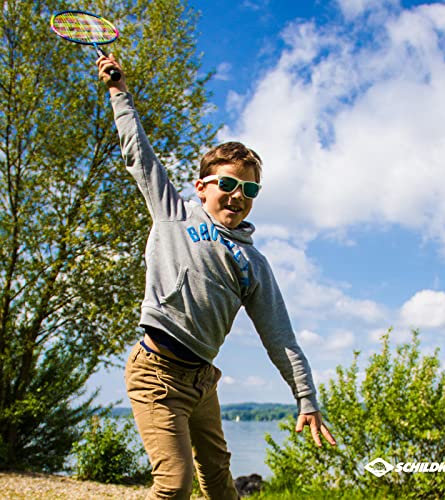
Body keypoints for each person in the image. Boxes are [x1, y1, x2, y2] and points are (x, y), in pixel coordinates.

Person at [97, 54, 336, 500]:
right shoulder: (173, 214)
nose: (237, 196)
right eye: (228, 184)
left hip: (202, 381)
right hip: (156, 372)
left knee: (223, 489)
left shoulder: (254, 264)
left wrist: (306, 397)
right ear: (202, 186)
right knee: (174, 485)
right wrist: (118, 92)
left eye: (249, 190)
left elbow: (280, 336)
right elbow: (138, 154)